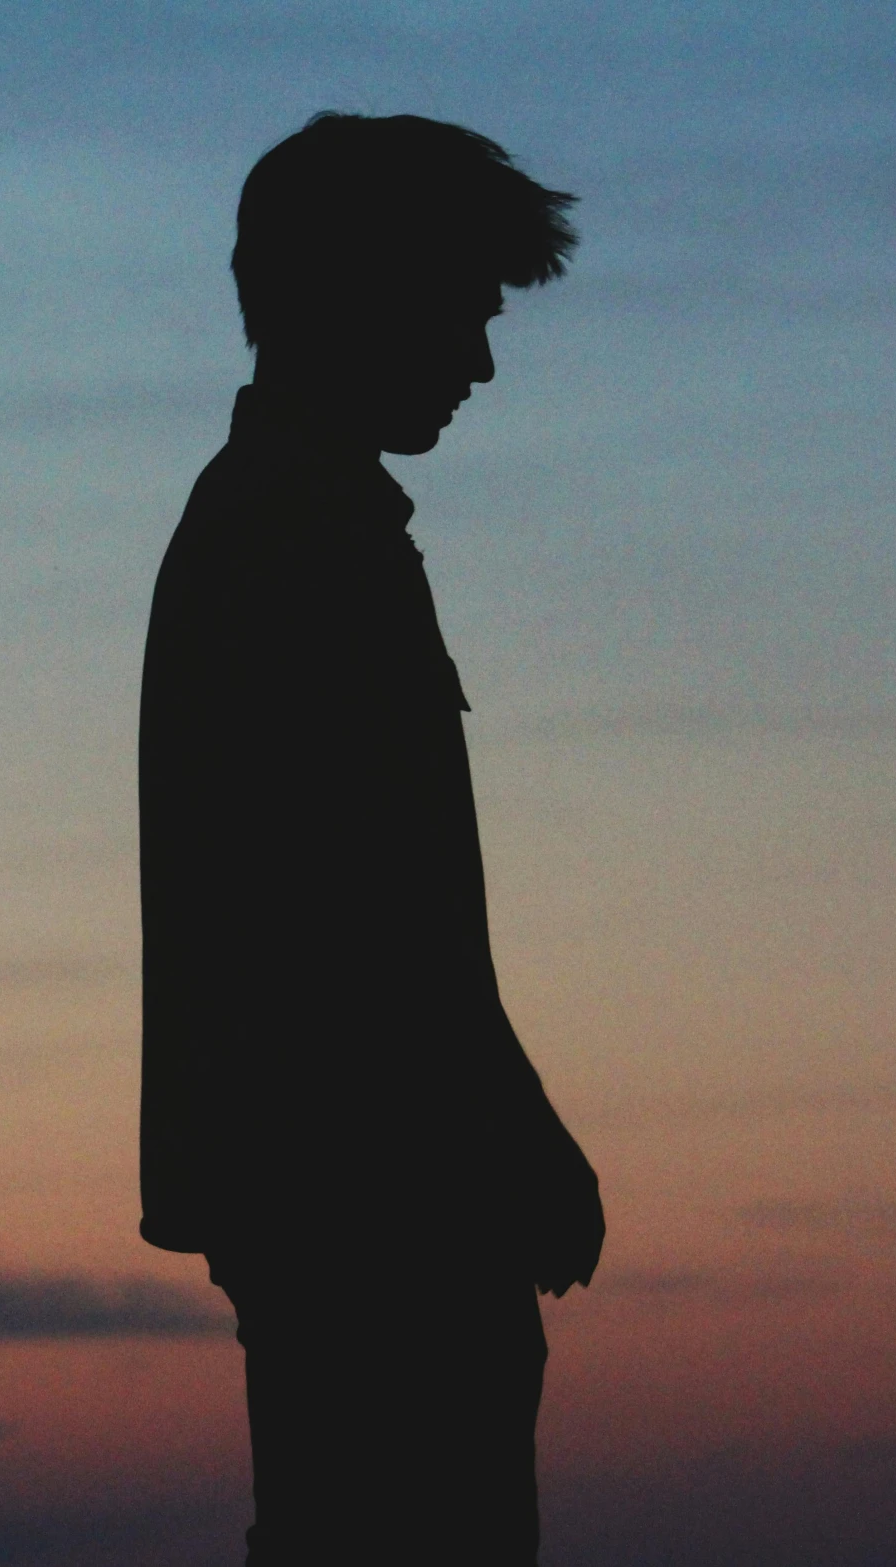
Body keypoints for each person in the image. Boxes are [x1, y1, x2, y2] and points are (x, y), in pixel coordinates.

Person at [138, 112, 605, 1564]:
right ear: (361, 295)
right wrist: (511, 1125)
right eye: (459, 310)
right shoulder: (295, 539)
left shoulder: (299, 521)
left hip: (351, 1185)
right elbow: (362, 913)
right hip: (372, 1200)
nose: (476, 360)